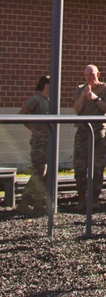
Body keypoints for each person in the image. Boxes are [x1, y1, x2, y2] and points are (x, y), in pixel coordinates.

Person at [72, 64, 106, 211]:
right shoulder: (80, 89)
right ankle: (82, 198)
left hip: (98, 132)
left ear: (98, 74)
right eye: (87, 75)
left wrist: (96, 99)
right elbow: (77, 109)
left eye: (93, 74)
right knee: (80, 166)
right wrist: (84, 96)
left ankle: (95, 198)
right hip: (83, 132)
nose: (90, 77)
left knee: (97, 166)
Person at [17, 75, 50, 216]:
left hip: (49, 141)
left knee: (46, 171)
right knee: (39, 170)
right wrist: (33, 130)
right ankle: (24, 200)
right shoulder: (36, 100)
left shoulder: (52, 101)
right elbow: (22, 114)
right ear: (46, 85)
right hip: (39, 142)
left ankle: (38, 202)